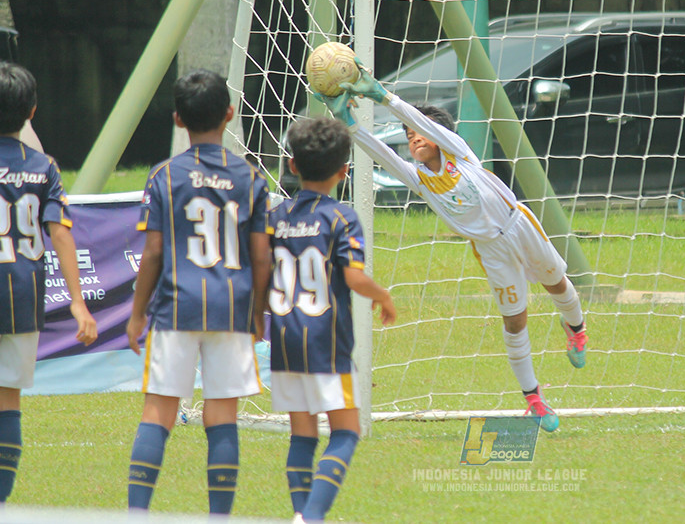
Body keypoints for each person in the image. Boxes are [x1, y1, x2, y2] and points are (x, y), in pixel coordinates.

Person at [318, 61, 587, 433]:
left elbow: (424, 123)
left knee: (557, 283)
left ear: (439, 135)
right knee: (514, 320)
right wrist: (349, 126)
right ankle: (534, 400)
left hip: (520, 224)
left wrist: (384, 96)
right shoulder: (419, 180)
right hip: (491, 250)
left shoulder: (460, 154)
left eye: (420, 132)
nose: (413, 137)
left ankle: (576, 329)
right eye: (408, 133)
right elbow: (384, 155)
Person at [125, 69, 272, 513]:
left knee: (158, 413)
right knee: (222, 415)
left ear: (177, 119)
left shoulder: (165, 176)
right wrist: (259, 309)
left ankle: (135, 515)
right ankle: (219, 517)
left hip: (176, 308)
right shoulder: (250, 177)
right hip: (231, 308)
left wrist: (136, 314)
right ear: (229, 114)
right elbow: (262, 256)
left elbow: (152, 253)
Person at [268, 116, 395, 523]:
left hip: (284, 340)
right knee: (345, 432)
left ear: (292, 165)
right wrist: (384, 296)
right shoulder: (341, 217)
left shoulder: (275, 217)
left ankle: (300, 512)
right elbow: (354, 278)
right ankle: (312, 516)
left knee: (302, 435)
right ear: (344, 172)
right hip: (326, 344)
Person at [0, 62, 98, 503]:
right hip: (21, 294)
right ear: (32, 112)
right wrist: (78, 303)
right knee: (7, 400)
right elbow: (60, 232)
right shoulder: (43, 168)